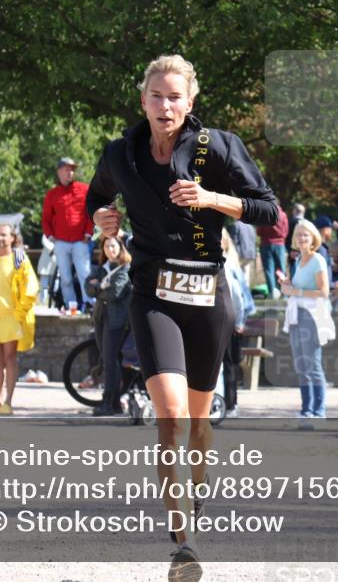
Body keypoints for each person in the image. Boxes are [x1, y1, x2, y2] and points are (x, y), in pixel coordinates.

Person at [86, 54, 278, 576]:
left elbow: (269, 210)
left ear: (189, 103)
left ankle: (199, 485)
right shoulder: (120, 154)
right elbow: (96, 198)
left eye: (175, 97)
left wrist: (212, 198)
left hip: (208, 298)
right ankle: (183, 543)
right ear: (143, 100)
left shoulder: (217, 147)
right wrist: (102, 218)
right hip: (153, 294)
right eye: (157, 96)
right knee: (169, 418)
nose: (165, 106)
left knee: (197, 424)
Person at [281, 219, 333, 429]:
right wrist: (287, 285)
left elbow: (324, 292)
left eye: (306, 235)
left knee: (313, 365)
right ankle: (306, 410)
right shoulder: (297, 261)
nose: (302, 238)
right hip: (296, 315)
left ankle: (319, 412)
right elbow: (293, 288)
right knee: (301, 366)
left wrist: (295, 291)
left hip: (312, 316)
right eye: (299, 234)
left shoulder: (317, 260)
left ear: (313, 238)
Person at [0, 223, 38, 416]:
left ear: (13, 237)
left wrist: (19, 314)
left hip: (11, 317)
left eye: (4, 235)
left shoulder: (19, 259)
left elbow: (31, 287)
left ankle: (8, 401)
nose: (1, 238)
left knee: (9, 357)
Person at [84, 234, 133, 416]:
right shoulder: (101, 268)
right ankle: (115, 403)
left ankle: (108, 402)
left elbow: (114, 293)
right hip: (101, 318)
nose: (110, 250)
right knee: (109, 360)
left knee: (110, 360)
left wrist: (97, 287)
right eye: (106, 247)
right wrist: (100, 288)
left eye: (113, 246)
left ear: (120, 247)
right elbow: (87, 288)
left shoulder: (125, 269)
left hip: (117, 321)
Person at [43, 157, 94, 313]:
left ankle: (90, 306)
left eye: (72, 170)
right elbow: (46, 219)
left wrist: (88, 233)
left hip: (80, 241)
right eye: (66, 169)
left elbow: (91, 213)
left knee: (85, 274)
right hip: (61, 242)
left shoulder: (84, 189)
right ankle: (70, 307)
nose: (70, 173)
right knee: (65, 278)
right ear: (59, 172)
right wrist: (50, 236)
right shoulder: (52, 194)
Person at [220, 227, 254, 418]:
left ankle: (231, 404)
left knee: (229, 364)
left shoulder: (229, 266)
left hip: (229, 322)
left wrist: (239, 322)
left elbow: (240, 298)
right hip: (214, 323)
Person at [257, 202, 289, 298]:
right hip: (280, 244)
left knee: (269, 269)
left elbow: (259, 231)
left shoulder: (264, 214)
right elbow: (286, 231)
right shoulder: (283, 215)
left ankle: (273, 292)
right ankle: (283, 291)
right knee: (281, 268)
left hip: (266, 243)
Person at [229, 218, 258, 285]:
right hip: (250, 254)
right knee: (246, 273)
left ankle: (239, 289)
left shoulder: (236, 225)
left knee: (237, 273)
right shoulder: (251, 226)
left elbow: (233, 241)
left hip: (240, 254)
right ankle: (246, 289)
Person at [285, 202, 305, 278]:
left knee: (293, 273)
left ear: (294, 211)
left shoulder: (290, 222)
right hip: (304, 252)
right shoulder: (307, 224)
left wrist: (290, 250)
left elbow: (287, 237)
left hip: (293, 251)